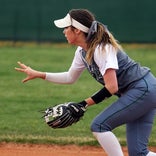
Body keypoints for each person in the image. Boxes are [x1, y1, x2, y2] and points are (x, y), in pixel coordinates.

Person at [15, 9, 156, 156]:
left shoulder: (102, 48)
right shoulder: (82, 51)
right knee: (139, 153)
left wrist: (83, 104)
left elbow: (112, 87)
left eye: (66, 28)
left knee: (99, 125)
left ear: (77, 30)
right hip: (144, 91)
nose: (64, 31)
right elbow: (70, 77)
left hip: (143, 90)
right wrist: (39, 74)